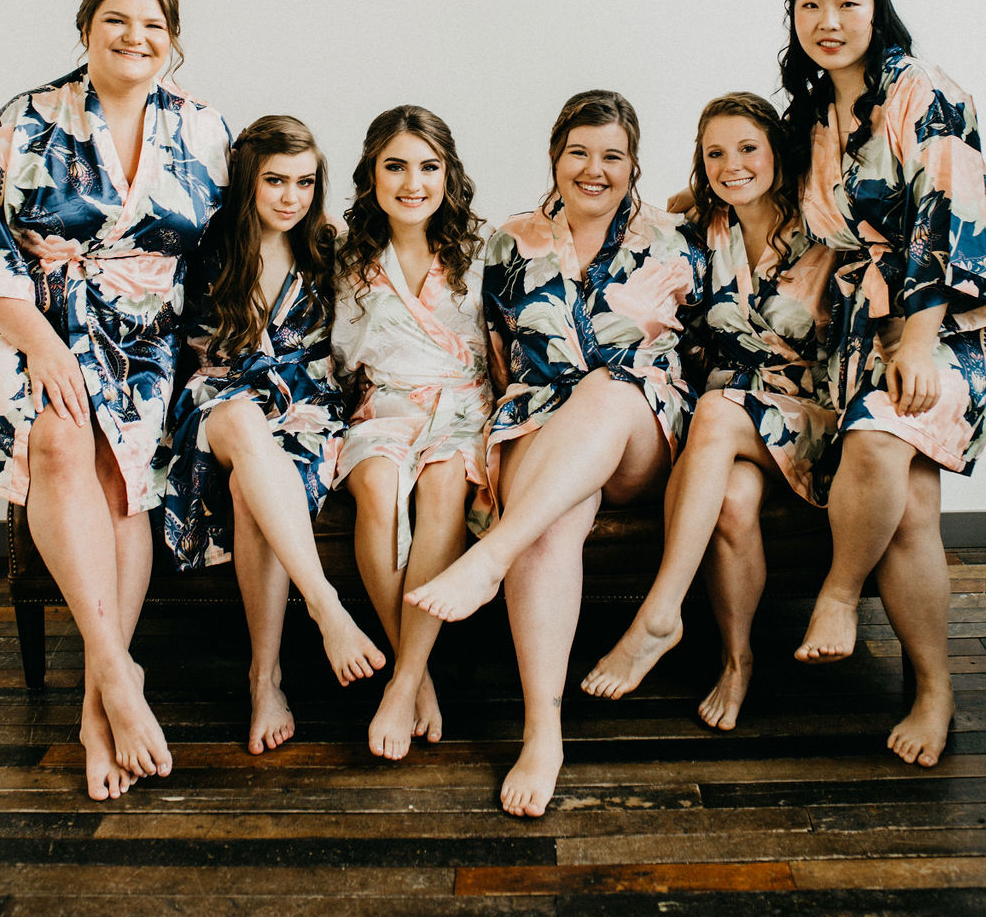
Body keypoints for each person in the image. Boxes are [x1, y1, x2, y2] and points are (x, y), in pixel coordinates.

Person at [0, 0, 230, 800]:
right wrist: (41, 346)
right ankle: (118, 673)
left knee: (125, 477)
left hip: (146, 338)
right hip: (27, 323)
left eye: (152, 25)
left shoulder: (204, 128)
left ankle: (95, 701)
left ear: (173, 42)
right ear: (86, 28)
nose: (134, 38)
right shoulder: (27, 120)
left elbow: (238, 237)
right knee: (60, 435)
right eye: (116, 21)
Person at [407, 89, 706, 817]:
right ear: (555, 155)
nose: (594, 169)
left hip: (640, 421)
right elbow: (498, 354)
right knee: (547, 530)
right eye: (579, 152)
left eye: (612, 156)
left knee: (605, 388)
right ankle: (544, 732)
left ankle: (487, 557)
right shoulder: (511, 240)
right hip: (540, 414)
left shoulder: (676, 239)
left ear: (635, 165)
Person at [782, 0, 986, 768]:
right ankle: (934, 687)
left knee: (876, 438)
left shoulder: (921, 92)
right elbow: (772, 177)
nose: (829, 22)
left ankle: (837, 597)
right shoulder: (818, 109)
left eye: (847, 2)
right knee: (915, 515)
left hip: (940, 331)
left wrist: (920, 340)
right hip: (859, 333)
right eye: (810, 5)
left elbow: (950, 213)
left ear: (878, 5)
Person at [581, 92, 838, 728]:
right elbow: (624, 209)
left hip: (806, 410)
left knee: (716, 413)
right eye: (715, 153)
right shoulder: (704, 227)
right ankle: (737, 659)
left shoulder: (825, 225)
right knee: (731, 500)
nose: (733, 165)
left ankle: (658, 615)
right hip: (729, 414)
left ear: (777, 151)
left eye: (748, 148)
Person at [160, 116, 385, 753]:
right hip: (219, 406)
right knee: (237, 418)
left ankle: (265, 677)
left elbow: (418, 244)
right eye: (275, 180)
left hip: (305, 413)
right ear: (246, 181)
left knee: (255, 491)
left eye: (305, 182)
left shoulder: (328, 248)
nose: (292, 196)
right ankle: (326, 607)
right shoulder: (201, 248)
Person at [332, 105, 492, 761]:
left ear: (448, 174)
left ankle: (398, 684)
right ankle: (414, 668)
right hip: (384, 410)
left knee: (444, 482)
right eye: (395, 165)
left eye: (428, 166)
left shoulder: (485, 252)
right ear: (371, 173)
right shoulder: (344, 260)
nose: (412, 181)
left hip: (461, 409)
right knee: (376, 483)